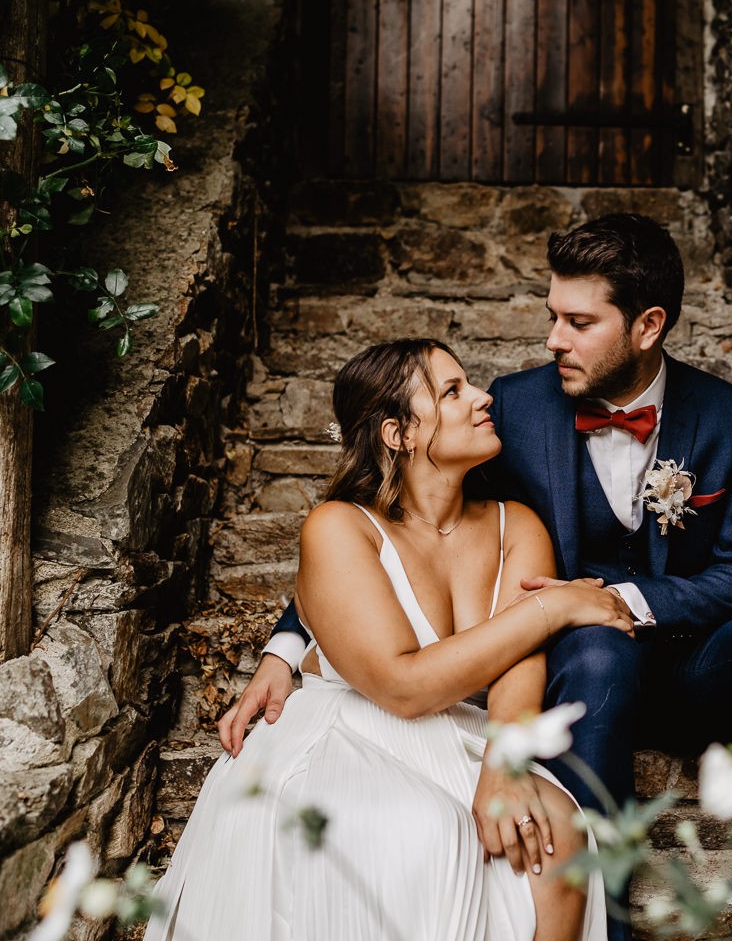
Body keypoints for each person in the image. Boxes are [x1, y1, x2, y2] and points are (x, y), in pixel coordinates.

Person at [245, 215, 732, 941]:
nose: (553, 338)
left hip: (693, 660)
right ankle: (609, 928)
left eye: (579, 321)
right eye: (551, 316)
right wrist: (286, 643)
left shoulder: (728, 415)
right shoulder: (521, 409)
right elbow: (391, 521)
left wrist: (614, 599)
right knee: (599, 652)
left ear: (648, 325)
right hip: (575, 675)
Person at [151, 339, 630, 941]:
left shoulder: (518, 525)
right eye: (453, 391)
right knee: (426, 829)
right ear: (398, 433)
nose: (484, 398)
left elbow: (516, 665)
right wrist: (552, 606)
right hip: (352, 727)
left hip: (462, 732)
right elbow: (401, 687)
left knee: (558, 828)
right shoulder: (339, 526)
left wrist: (505, 764)